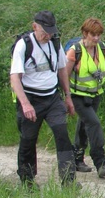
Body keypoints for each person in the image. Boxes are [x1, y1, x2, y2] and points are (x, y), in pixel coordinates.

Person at [10, 10, 78, 188]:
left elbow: (62, 70)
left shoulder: (55, 43)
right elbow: (15, 77)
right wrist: (25, 104)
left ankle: (68, 181)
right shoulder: (24, 45)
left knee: (62, 134)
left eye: (51, 31)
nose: (48, 35)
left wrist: (68, 97)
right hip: (31, 99)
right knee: (28, 139)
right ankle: (27, 181)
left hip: (53, 98)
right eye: (44, 31)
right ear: (34, 27)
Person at [66, 17, 105, 178]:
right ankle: (101, 162)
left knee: (84, 125)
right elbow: (64, 75)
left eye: (98, 35)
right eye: (93, 35)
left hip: (95, 94)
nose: (96, 38)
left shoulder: (102, 48)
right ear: (85, 33)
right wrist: (65, 97)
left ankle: (77, 158)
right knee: (94, 124)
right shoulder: (74, 51)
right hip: (78, 96)